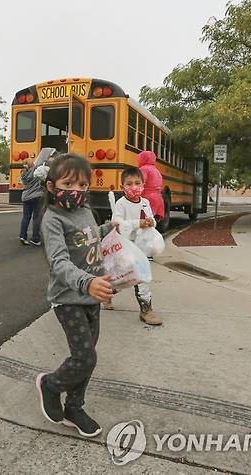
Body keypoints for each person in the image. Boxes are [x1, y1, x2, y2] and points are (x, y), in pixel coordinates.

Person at [35, 153, 117, 438]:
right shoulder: (53, 219)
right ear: (51, 186)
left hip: (91, 298)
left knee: (88, 356)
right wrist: (88, 283)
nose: (77, 191)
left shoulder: (84, 211)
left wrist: (109, 229)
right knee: (84, 357)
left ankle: (74, 407)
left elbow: (90, 236)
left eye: (83, 185)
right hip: (69, 298)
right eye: (69, 183)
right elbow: (59, 263)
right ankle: (50, 385)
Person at [105, 166, 162, 325]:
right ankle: (144, 309)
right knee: (128, 276)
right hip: (125, 246)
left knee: (137, 277)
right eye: (129, 184)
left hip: (141, 247)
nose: (134, 187)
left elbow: (151, 220)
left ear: (143, 185)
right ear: (122, 187)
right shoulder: (121, 204)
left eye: (137, 183)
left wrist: (151, 222)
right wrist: (138, 223)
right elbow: (117, 224)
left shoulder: (146, 202)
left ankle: (145, 310)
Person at [18, 148, 55, 246]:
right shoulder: (37, 170)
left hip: (26, 197)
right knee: (36, 218)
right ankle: (35, 238)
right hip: (37, 197)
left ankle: (22, 235)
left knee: (26, 217)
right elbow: (44, 166)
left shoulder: (23, 174)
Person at [137, 150, 164, 222]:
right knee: (151, 222)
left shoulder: (144, 169)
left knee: (143, 222)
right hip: (158, 199)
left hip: (147, 198)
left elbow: (140, 183)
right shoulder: (157, 171)